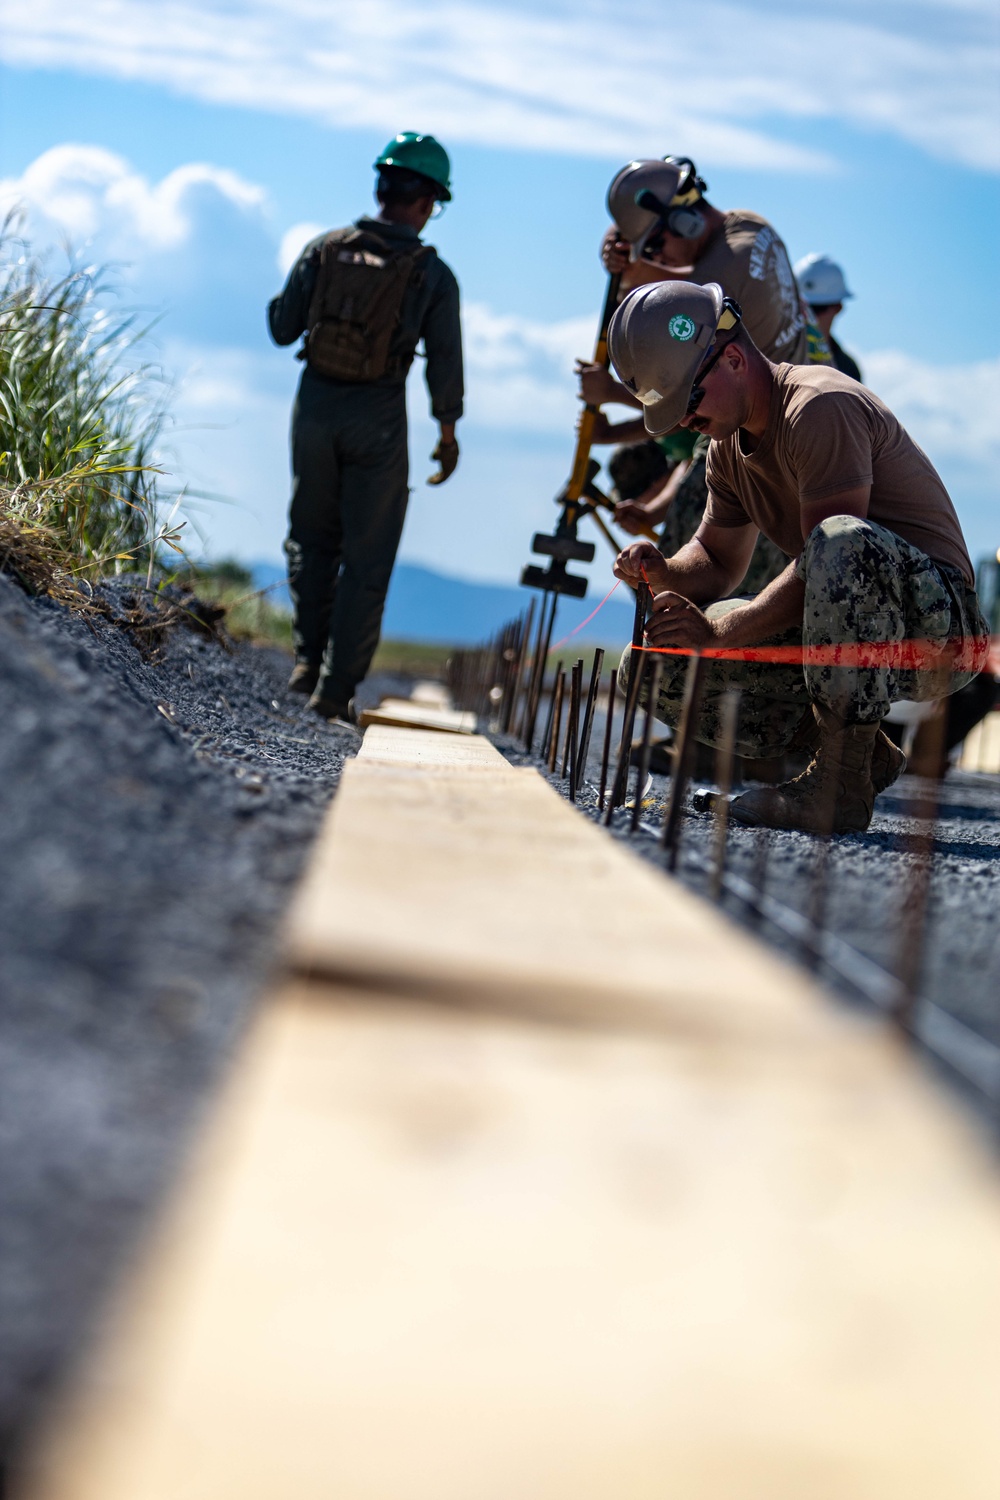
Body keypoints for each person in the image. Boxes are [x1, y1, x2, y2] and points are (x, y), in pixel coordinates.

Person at [609, 280, 988, 834]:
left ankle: (837, 785)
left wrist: (723, 632)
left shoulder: (818, 407)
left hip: (937, 629)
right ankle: (864, 754)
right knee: (651, 664)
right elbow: (714, 559)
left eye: (687, 403)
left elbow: (830, 561)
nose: (683, 422)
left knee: (836, 540)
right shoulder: (725, 448)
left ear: (733, 358)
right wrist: (663, 570)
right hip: (849, 620)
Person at [268, 132, 464, 721]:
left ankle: (307, 660)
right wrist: (447, 433)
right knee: (368, 557)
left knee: (311, 538)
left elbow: (282, 328)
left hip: (314, 410)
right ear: (429, 201)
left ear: (381, 185)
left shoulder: (323, 248)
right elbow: (446, 367)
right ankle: (335, 687)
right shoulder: (433, 274)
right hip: (378, 419)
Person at [578, 157, 804, 590]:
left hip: (755, 436)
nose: (657, 257)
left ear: (682, 221)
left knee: (679, 583)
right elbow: (691, 276)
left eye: (654, 245)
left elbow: (689, 391)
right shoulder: (748, 227)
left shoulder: (720, 282)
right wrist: (634, 259)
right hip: (774, 425)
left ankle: (677, 659)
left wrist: (609, 390)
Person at [794, 253, 862, 382]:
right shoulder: (774, 356)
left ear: (838, 307)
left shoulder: (848, 370)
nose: (807, 316)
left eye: (817, 308)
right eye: (801, 308)